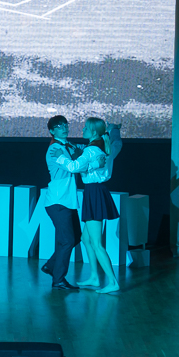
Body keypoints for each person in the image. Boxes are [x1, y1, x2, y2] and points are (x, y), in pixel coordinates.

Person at [55, 117, 122, 292]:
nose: (82, 129)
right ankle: (94, 276)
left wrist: (60, 158)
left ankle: (112, 282)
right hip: (98, 192)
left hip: (93, 193)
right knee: (86, 238)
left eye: (85, 127)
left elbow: (74, 167)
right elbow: (117, 143)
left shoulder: (91, 150)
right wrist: (115, 129)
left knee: (97, 243)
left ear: (93, 131)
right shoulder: (107, 146)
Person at [40, 115, 81, 291]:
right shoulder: (55, 149)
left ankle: (51, 266)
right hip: (58, 201)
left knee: (75, 237)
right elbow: (74, 166)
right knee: (67, 240)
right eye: (59, 126)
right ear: (51, 131)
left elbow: (82, 152)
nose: (64, 128)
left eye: (65, 124)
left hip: (67, 200)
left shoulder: (68, 145)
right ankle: (58, 279)